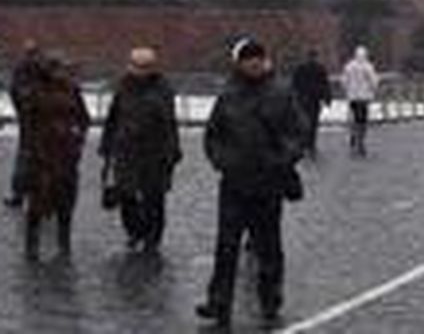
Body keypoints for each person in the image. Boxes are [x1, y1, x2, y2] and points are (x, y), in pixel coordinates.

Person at [197, 38, 306, 329]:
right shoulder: (228, 95)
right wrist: (221, 160)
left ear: (265, 60)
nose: (253, 63)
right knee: (226, 245)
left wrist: (282, 159)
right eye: (248, 58)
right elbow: (213, 135)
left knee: (268, 245)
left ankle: (270, 297)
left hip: (268, 183)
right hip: (234, 183)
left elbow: (298, 132)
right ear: (239, 63)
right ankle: (218, 301)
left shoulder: (281, 94)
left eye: (258, 57)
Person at [99, 47, 182, 253]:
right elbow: (113, 118)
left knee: (154, 197)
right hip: (126, 150)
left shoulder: (163, 89)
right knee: (126, 195)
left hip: (155, 151)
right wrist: (106, 144)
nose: (140, 71)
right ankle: (135, 232)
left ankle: (152, 238)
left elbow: (169, 123)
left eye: (145, 67)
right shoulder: (123, 87)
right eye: (137, 66)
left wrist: (172, 151)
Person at [23, 54, 90, 260]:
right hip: (41, 154)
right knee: (37, 200)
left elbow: (84, 118)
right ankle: (32, 245)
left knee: (65, 200)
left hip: (66, 153)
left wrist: (77, 138)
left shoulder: (71, 90)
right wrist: (31, 146)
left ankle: (64, 244)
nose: (59, 73)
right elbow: (27, 121)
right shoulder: (35, 92)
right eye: (55, 69)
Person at [5, 40, 42, 209]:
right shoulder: (31, 69)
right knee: (29, 158)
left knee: (30, 158)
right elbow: (15, 91)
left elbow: (14, 91)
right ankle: (22, 194)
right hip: (32, 122)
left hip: (36, 122)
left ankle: (23, 194)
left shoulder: (37, 69)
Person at [290, 50, 332, 157]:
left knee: (304, 121)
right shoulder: (320, 68)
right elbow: (325, 84)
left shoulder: (300, 68)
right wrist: (327, 98)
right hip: (314, 99)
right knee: (313, 122)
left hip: (303, 98)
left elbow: (295, 83)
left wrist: (294, 96)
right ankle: (311, 143)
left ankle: (305, 143)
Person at [342, 46, 380, 157]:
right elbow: (374, 81)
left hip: (352, 97)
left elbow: (344, 81)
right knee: (362, 120)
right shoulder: (367, 66)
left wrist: (347, 91)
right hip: (364, 98)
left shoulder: (349, 66)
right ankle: (361, 141)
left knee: (354, 118)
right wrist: (374, 90)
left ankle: (353, 136)